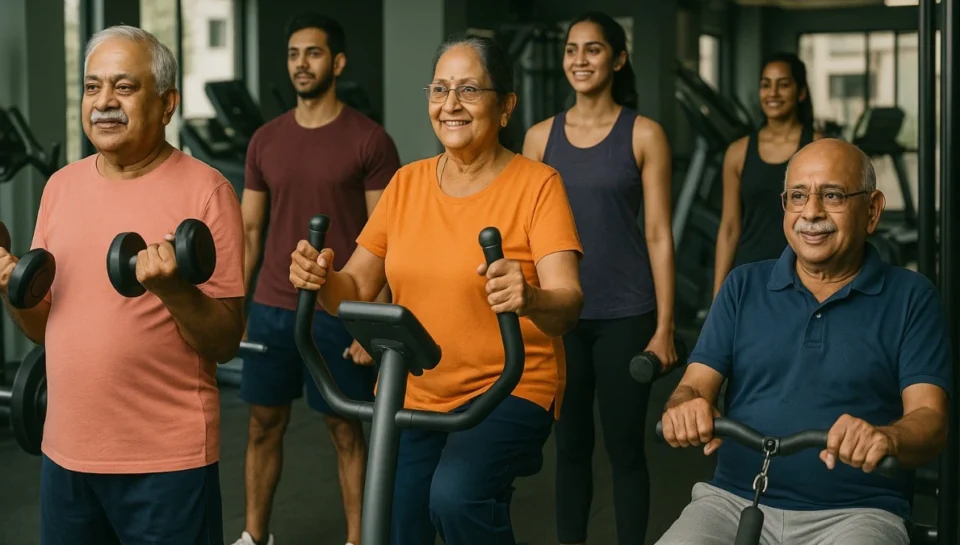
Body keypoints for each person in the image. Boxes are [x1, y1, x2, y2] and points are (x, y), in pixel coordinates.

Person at [289, 35, 584, 545]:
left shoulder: (538, 185)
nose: (450, 104)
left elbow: (568, 305)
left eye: (468, 90)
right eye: (440, 89)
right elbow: (356, 287)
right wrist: (321, 278)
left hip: (508, 386)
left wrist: (530, 296)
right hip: (414, 391)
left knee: (455, 497)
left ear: (506, 105)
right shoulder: (407, 184)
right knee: (400, 520)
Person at [0, 26, 244, 544]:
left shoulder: (207, 192)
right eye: (92, 87)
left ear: (166, 103)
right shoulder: (60, 187)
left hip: (167, 464)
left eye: (124, 87)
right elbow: (44, 330)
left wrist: (174, 291)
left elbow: (224, 343)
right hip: (66, 455)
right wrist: (11, 289)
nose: (103, 102)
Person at [657, 138, 950, 545]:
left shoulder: (911, 297)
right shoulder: (743, 285)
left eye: (832, 195)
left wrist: (887, 437)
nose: (811, 212)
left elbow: (931, 422)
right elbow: (692, 387)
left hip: (858, 513)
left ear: (872, 210)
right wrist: (684, 407)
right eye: (798, 196)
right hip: (731, 501)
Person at [233, 13, 400, 545]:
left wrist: (372, 324)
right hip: (273, 306)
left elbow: (388, 237)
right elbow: (250, 230)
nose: (301, 64)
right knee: (262, 426)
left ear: (338, 62)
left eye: (313, 53)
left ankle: (358, 539)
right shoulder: (265, 140)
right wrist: (234, 308)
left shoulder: (370, 140)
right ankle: (254, 536)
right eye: (294, 54)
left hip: (338, 309)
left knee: (343, 428)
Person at [522, 12, 676, 545]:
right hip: (562, 316)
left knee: (626, 449)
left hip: (627, 314)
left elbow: (658, 233)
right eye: (571, 49)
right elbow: (525, 240)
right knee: (569, 449)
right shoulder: (539, 139)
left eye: (592, 50)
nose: (579, 60)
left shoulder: (645, 134)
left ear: (618, 59)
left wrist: (664, 327)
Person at [713, 52, 823, 297]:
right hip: (750, 273)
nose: (772, 93)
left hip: (805, 276)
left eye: (783, 85)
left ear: (801, 93)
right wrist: (719, 293)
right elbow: (730, 227)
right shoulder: (738, 152)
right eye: (766, 85)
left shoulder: (817, 147)